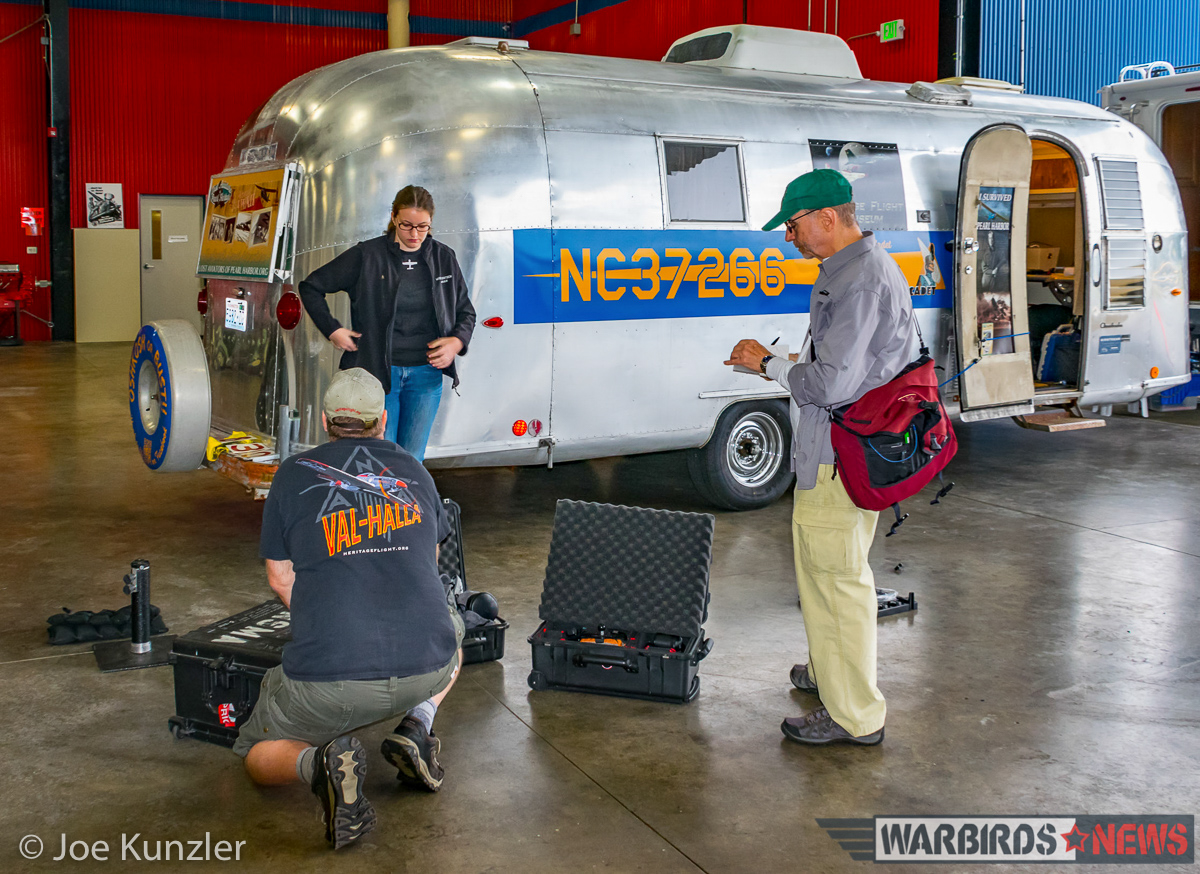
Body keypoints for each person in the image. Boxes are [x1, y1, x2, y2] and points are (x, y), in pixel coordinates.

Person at [725, 169, 918, 747]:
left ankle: (854, 714)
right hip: (842, 449)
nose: (790, 237)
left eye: (794, 224)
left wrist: (766, 364)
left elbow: (831, 384)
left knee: (836, 581)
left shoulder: (859, 281)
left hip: (838, 454)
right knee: (826, 572)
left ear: (827, 218)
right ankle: (829, 672)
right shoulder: (858, 270)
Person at [233, 368, 465, 849]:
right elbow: (431, 564)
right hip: (427, 664)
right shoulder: (415, 470)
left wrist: (324, 609)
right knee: (454, 628)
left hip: (328, 685)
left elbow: (280, 578)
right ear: (382, 420)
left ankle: (317, 764)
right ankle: (417, 724)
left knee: (256, 752)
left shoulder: (293, 475)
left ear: (324, 421)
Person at [298, 186, 476, 461]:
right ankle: (380, 504)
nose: (415, 234)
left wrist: (456, 342)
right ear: (393, 218)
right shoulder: (367, 256)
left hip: (426, 376)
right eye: (407, 225)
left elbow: (466, 312)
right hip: (378, 374)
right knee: (381, 457)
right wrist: (332, 329)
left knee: (412, 459)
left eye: (423, 227)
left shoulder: (444, 258)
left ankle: (406, 505)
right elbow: (310, 287)